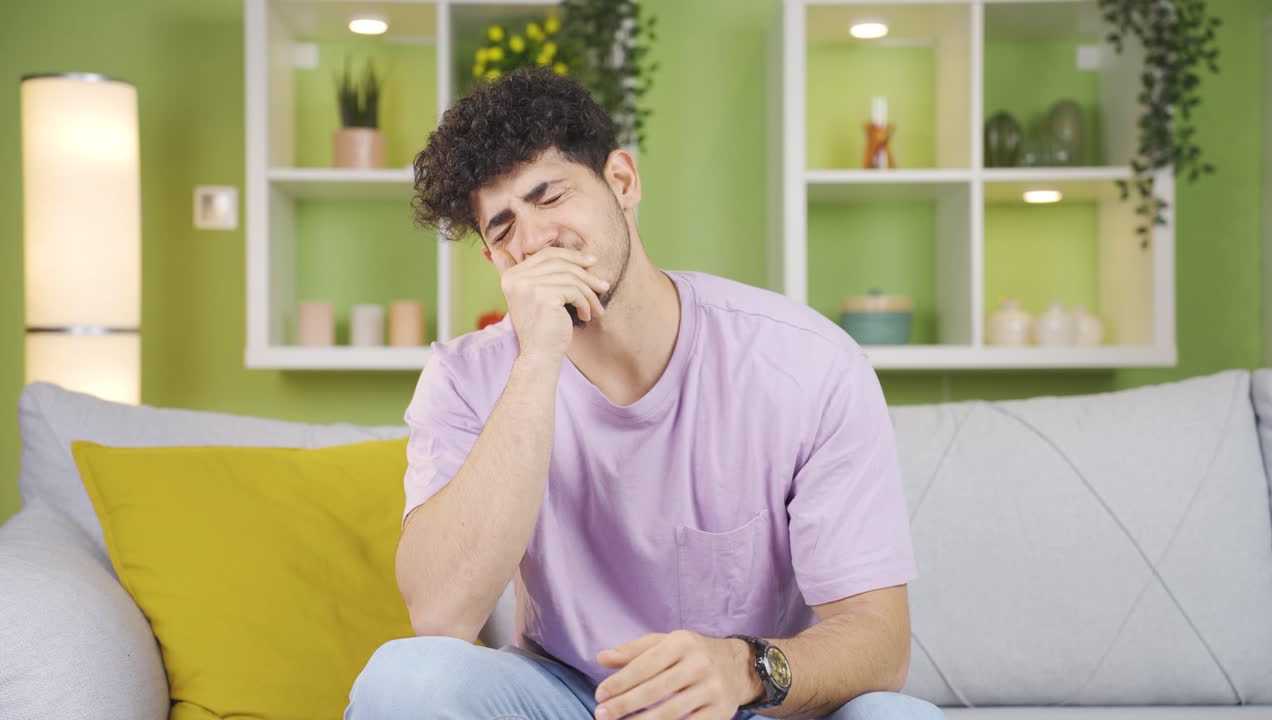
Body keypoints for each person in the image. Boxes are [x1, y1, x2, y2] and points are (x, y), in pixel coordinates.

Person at [346, 68, 943, 720]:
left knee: (899, 718)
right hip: (570, 699)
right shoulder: (465, 377)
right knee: (404, 682)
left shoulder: (808, 364)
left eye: (550, 198)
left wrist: (745, 667)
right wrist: (538, 360)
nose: (535, 240)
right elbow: (438, 614)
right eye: (503, 228)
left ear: (622, 183)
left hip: (745, 704)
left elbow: (880, 641)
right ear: (494, 260)